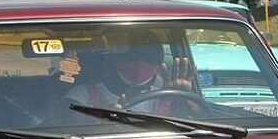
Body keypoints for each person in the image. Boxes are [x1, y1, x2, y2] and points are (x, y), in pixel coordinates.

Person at [64, 29, 194, 114]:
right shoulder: (82, 95)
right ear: (115, 60)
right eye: (132, 57)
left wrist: (185, 98)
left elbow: (200, 121)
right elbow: (67, 128)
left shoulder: (163, 95)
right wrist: (101, 119)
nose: (139, 64)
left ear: (158, 64)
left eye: (149, 58)